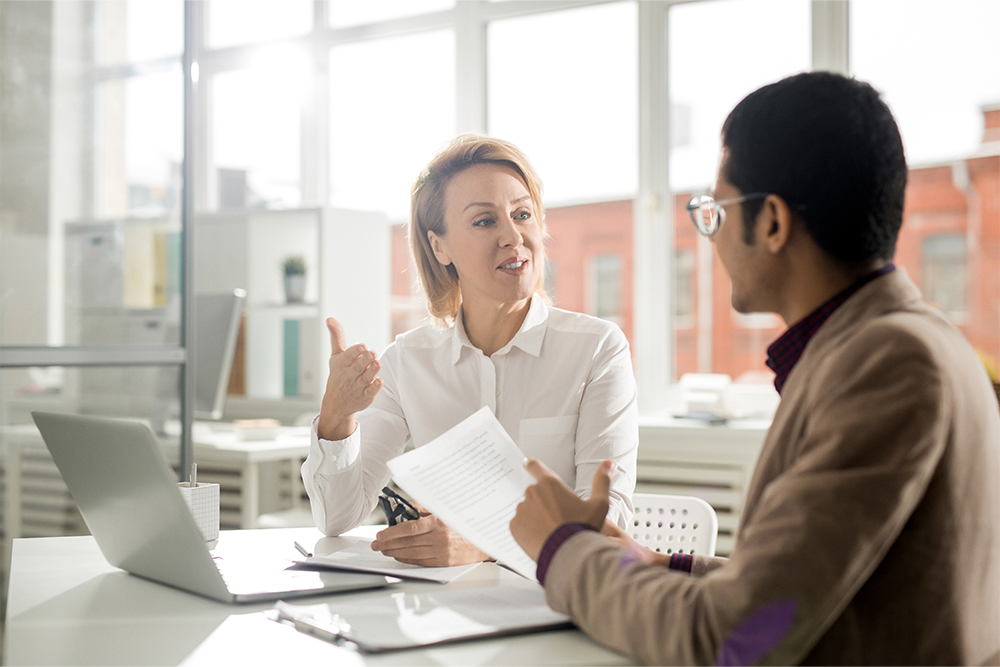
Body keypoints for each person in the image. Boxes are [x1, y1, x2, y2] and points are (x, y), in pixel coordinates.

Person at [510, 72, 1000, 666]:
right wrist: (657, 564)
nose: (710, 238)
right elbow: (815, 585)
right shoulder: (895, 341)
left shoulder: (890, 364)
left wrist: (562, 550)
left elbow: (731, 640)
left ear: (771, 222)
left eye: (716, 210)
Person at [301, 134, 638, 567]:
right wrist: (336, 417)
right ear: (439, 246)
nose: (513, 236)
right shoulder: (408, 362)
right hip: (440, 614)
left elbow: (608, 521)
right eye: (484, 221)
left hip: (551, 607)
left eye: (522, 214)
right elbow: (337, 518)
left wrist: (483, 548)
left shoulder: (597, 349)